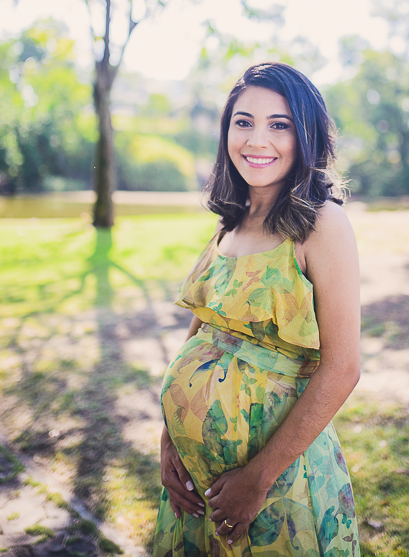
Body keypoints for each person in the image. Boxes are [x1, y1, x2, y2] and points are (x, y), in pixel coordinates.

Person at [153, 62, 361, 557]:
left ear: (306, 134)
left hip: (275, 480)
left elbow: (343, 368)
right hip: (196, 480)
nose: (256, 139)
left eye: (279, 124)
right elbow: (204, 330)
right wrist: (170, 437)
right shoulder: (232, 224)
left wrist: (257, 479)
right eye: (243, 122)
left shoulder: (322, 224)